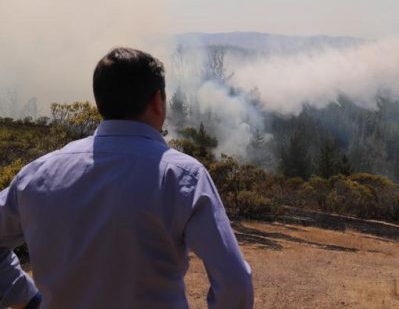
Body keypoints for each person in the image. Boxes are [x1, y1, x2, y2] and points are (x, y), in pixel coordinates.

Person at [0, 47, 253, 308]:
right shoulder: (182, 177)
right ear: (157, 101)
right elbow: (234, 281)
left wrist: (26, 298)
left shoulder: (37, 174)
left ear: (100, 101)